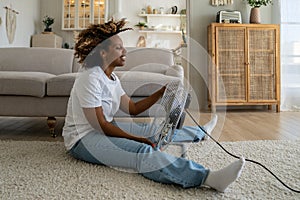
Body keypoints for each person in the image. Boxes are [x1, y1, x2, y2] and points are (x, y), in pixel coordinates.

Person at [62, 19, 245, 192]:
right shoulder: (90, 77)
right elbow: (100, 124)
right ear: (103, 53)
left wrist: (161, 93)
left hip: (101, 130)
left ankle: (200, 133)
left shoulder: (112, 78)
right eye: (119, 48)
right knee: (143, 150)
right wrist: (137, 140)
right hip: (82, 139)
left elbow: (132, 108)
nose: (125, 51)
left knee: (152, 130)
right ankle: (208, 178)